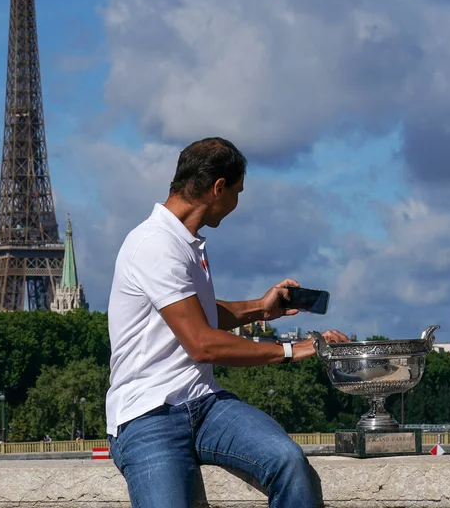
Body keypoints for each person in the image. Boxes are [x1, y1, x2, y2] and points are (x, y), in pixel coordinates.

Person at [106, 137, 348, 508]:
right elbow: (202, 343)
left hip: (205, 404)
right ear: (219, 188)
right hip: (147, 417)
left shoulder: (185, 242)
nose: (237, 203)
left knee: (289, 462)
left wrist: (260, 309)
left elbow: (194, 312)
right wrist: (289, 351)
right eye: (238, 191)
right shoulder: (155, 245)